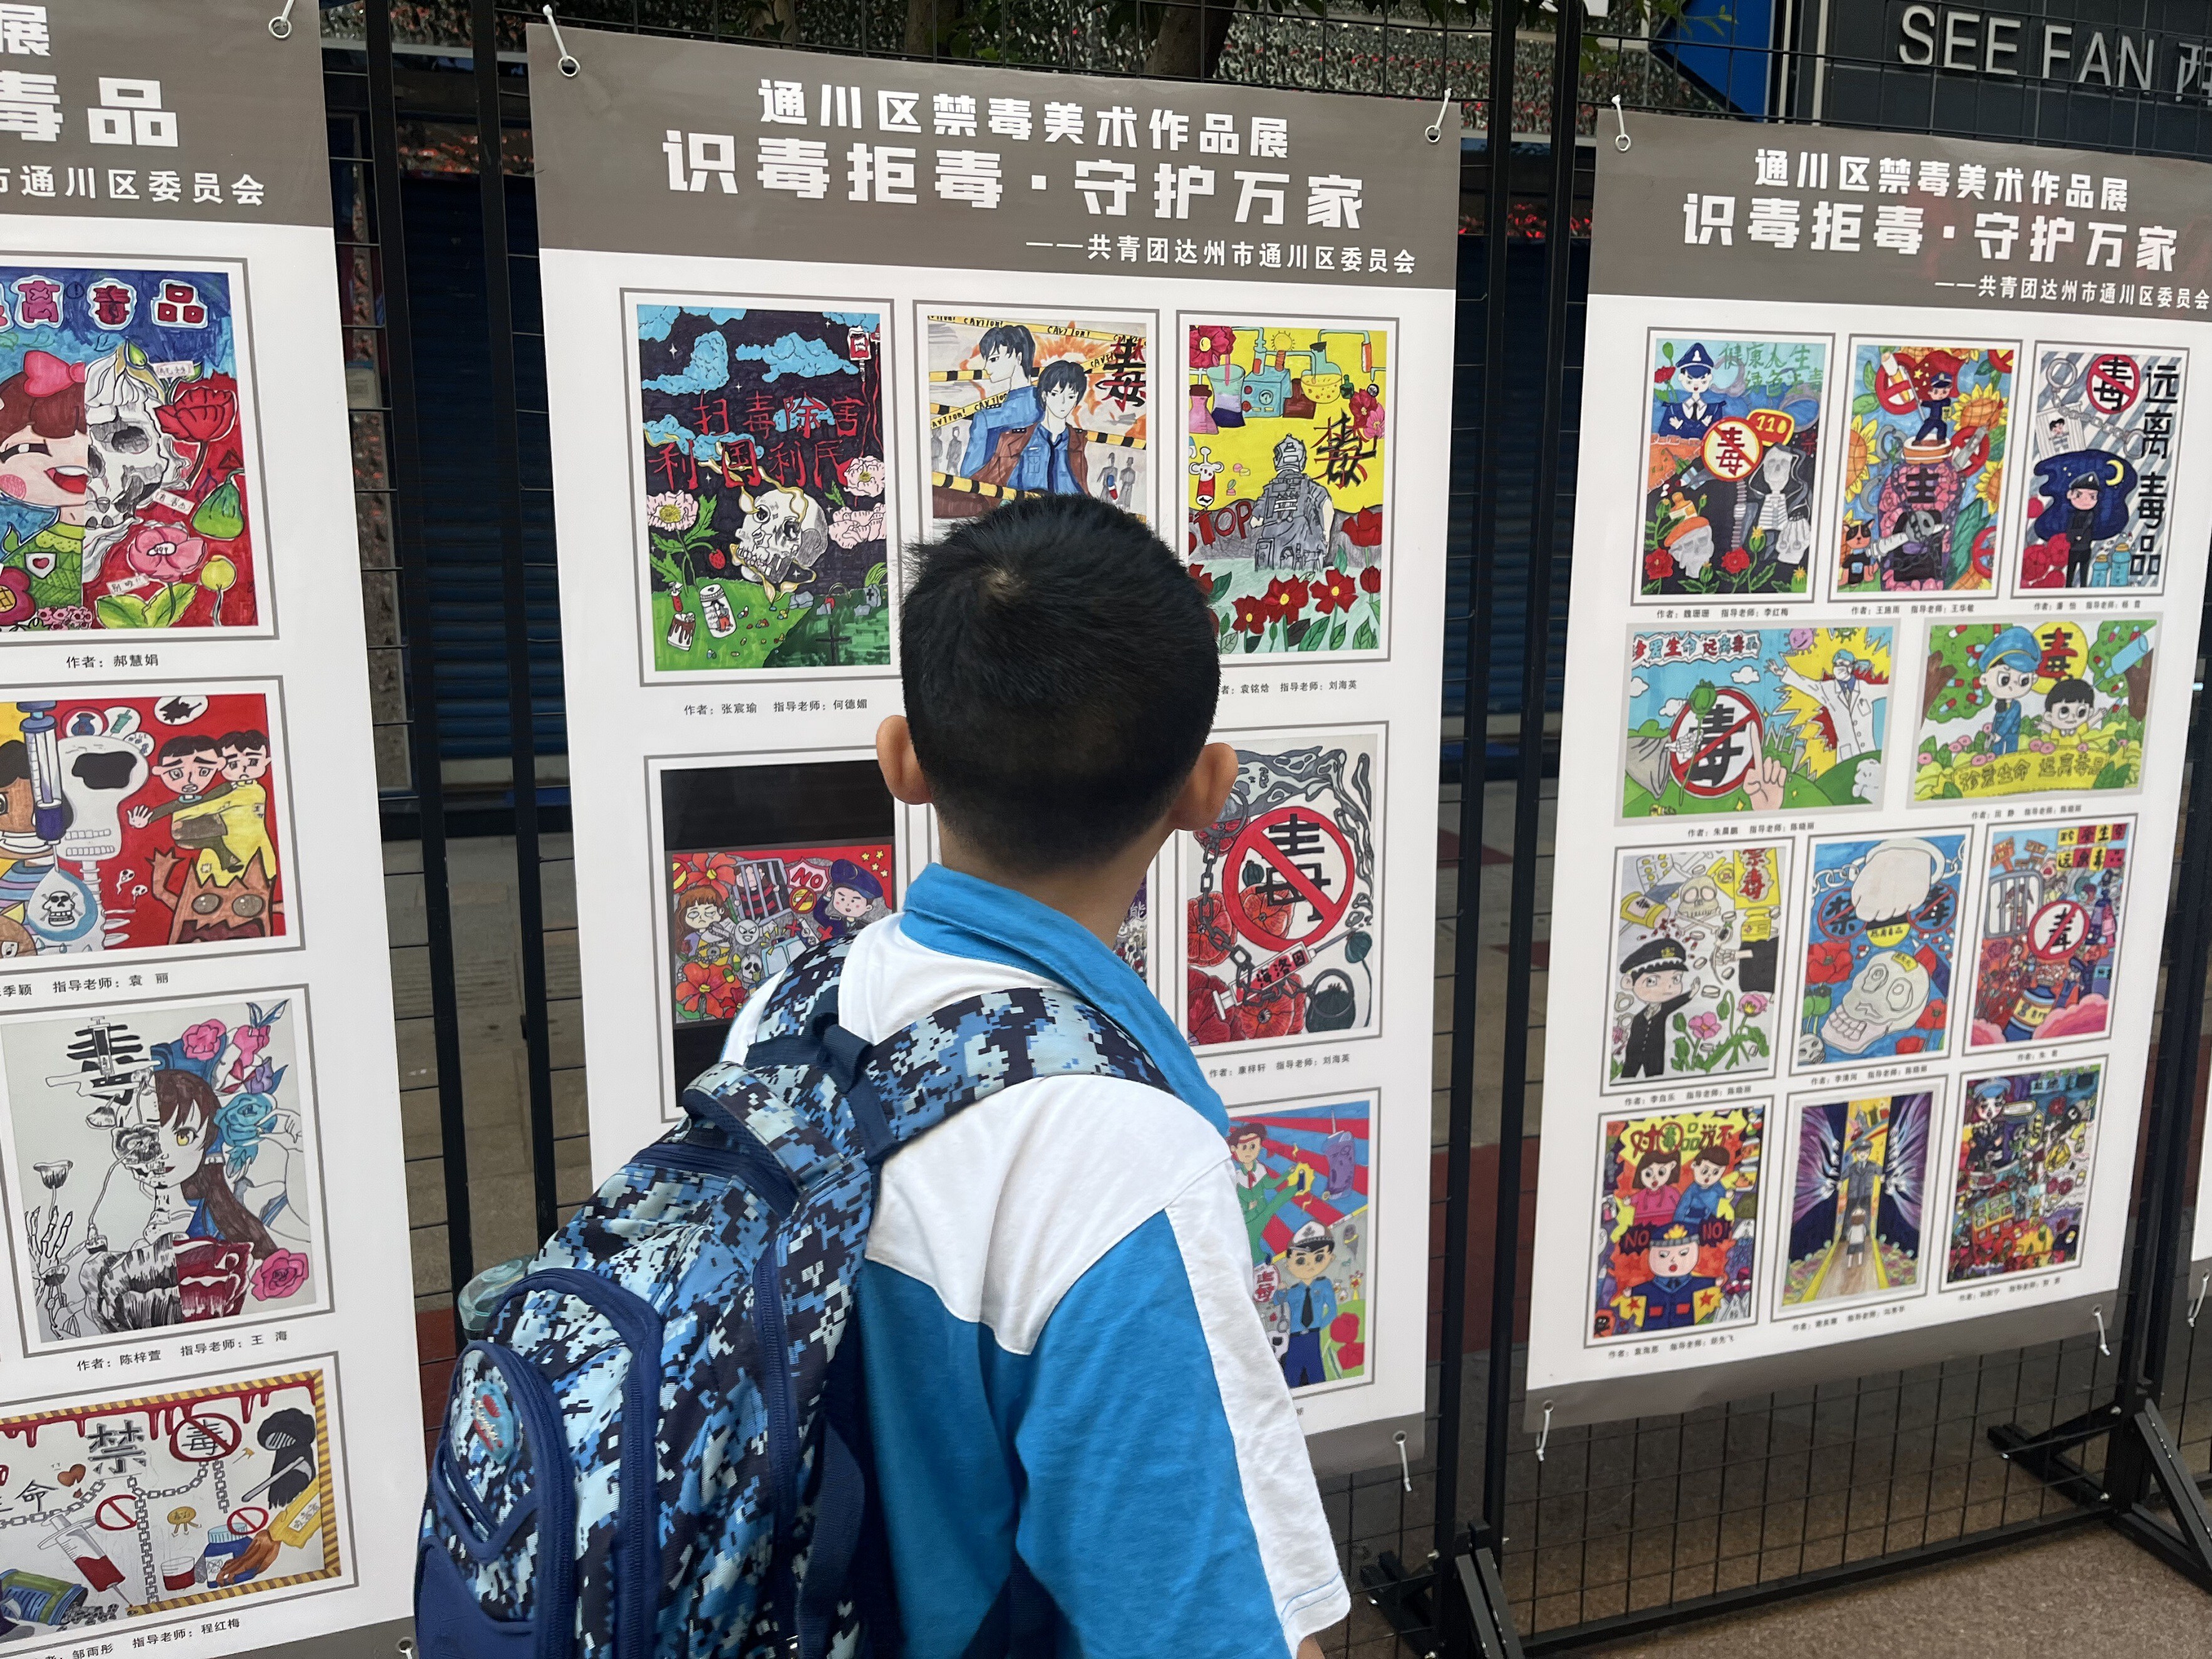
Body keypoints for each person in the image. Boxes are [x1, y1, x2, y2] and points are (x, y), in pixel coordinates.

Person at [718, 494, 1346, 1656]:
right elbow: (1209, 1628)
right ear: (1207, 791)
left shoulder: (793, 1008)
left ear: (902, 761)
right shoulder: (1122, 1165)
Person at [1616, 937, 1692, 1080]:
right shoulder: (1638, 1018)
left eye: (1676, 979)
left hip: (1655, 1059)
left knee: (1655, 1078)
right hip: (1633, 1058)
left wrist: (1691, 993)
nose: (1668, 987)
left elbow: (1675, 1003)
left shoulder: (1663, 1010)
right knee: (1627, 1077)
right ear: (1628, 982)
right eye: (1652, 981)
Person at [1975, 626, 2041, 758]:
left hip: (2011, 735)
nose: (2013, 686)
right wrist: (1994, 735)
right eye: (2005, 680)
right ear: (1984, 679)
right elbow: (1998, 720)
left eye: (2024, 681)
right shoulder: (2000, 704)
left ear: (2033, 679)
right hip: (1997, 736)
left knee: (2011, 756)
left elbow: (2009, 720)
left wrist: (1998, 735)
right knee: (1996, 756)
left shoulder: (2016, 705)